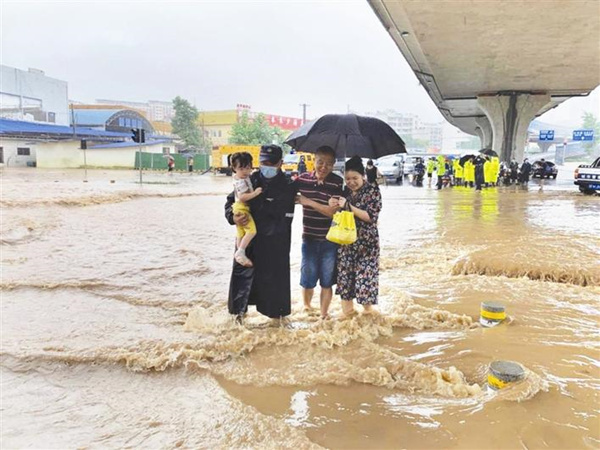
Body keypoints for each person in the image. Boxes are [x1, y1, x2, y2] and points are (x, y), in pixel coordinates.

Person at [225, 145, 296, 324]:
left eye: (272, 163)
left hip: (276, 244)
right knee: (242, 289)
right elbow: (231, 201)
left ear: (280, 163)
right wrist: (232, 217)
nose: (268, 166)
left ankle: (277, 326)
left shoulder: (288, 184)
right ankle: (237, 324)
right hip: (250, 243)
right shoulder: (250, 179)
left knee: (275, 294)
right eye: (264, 162)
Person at [294, 146, 343, 319]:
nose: (324, 167)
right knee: (307, 279)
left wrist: (307, 201)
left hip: (330, 240)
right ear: (313, 161)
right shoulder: (302, 180)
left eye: (329, 164)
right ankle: (307, 309)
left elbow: (332, 212)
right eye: (320, 162)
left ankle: (324, 315)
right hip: (308, 238)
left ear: (334, 165)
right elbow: (284, 195)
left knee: (327, 280)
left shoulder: (337, 182)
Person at [329, 156, 382, 316]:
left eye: (355, 178)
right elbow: (336, 212)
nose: (351, 182)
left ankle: (368, 314)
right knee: (345, 281)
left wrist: (348, 205)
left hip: (367, 245)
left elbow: (370, 216)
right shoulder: (344, 192)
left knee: (365, 281)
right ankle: (348, 315)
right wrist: (333, 203)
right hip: (346, 243)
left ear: (363, 176)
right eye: (348, 179)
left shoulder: (372, 191)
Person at [230, 152, 263, 267]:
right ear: (234, 168)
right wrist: (255, 193)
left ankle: (239, 254)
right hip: (242, 208)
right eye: (241, 168)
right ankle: (240, 252)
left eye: (248, 168)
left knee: (240, 233)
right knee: (251, 231)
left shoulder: (250, 177)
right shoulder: (240, 181)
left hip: (239, 208)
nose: (245, 171)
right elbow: (242, 197)